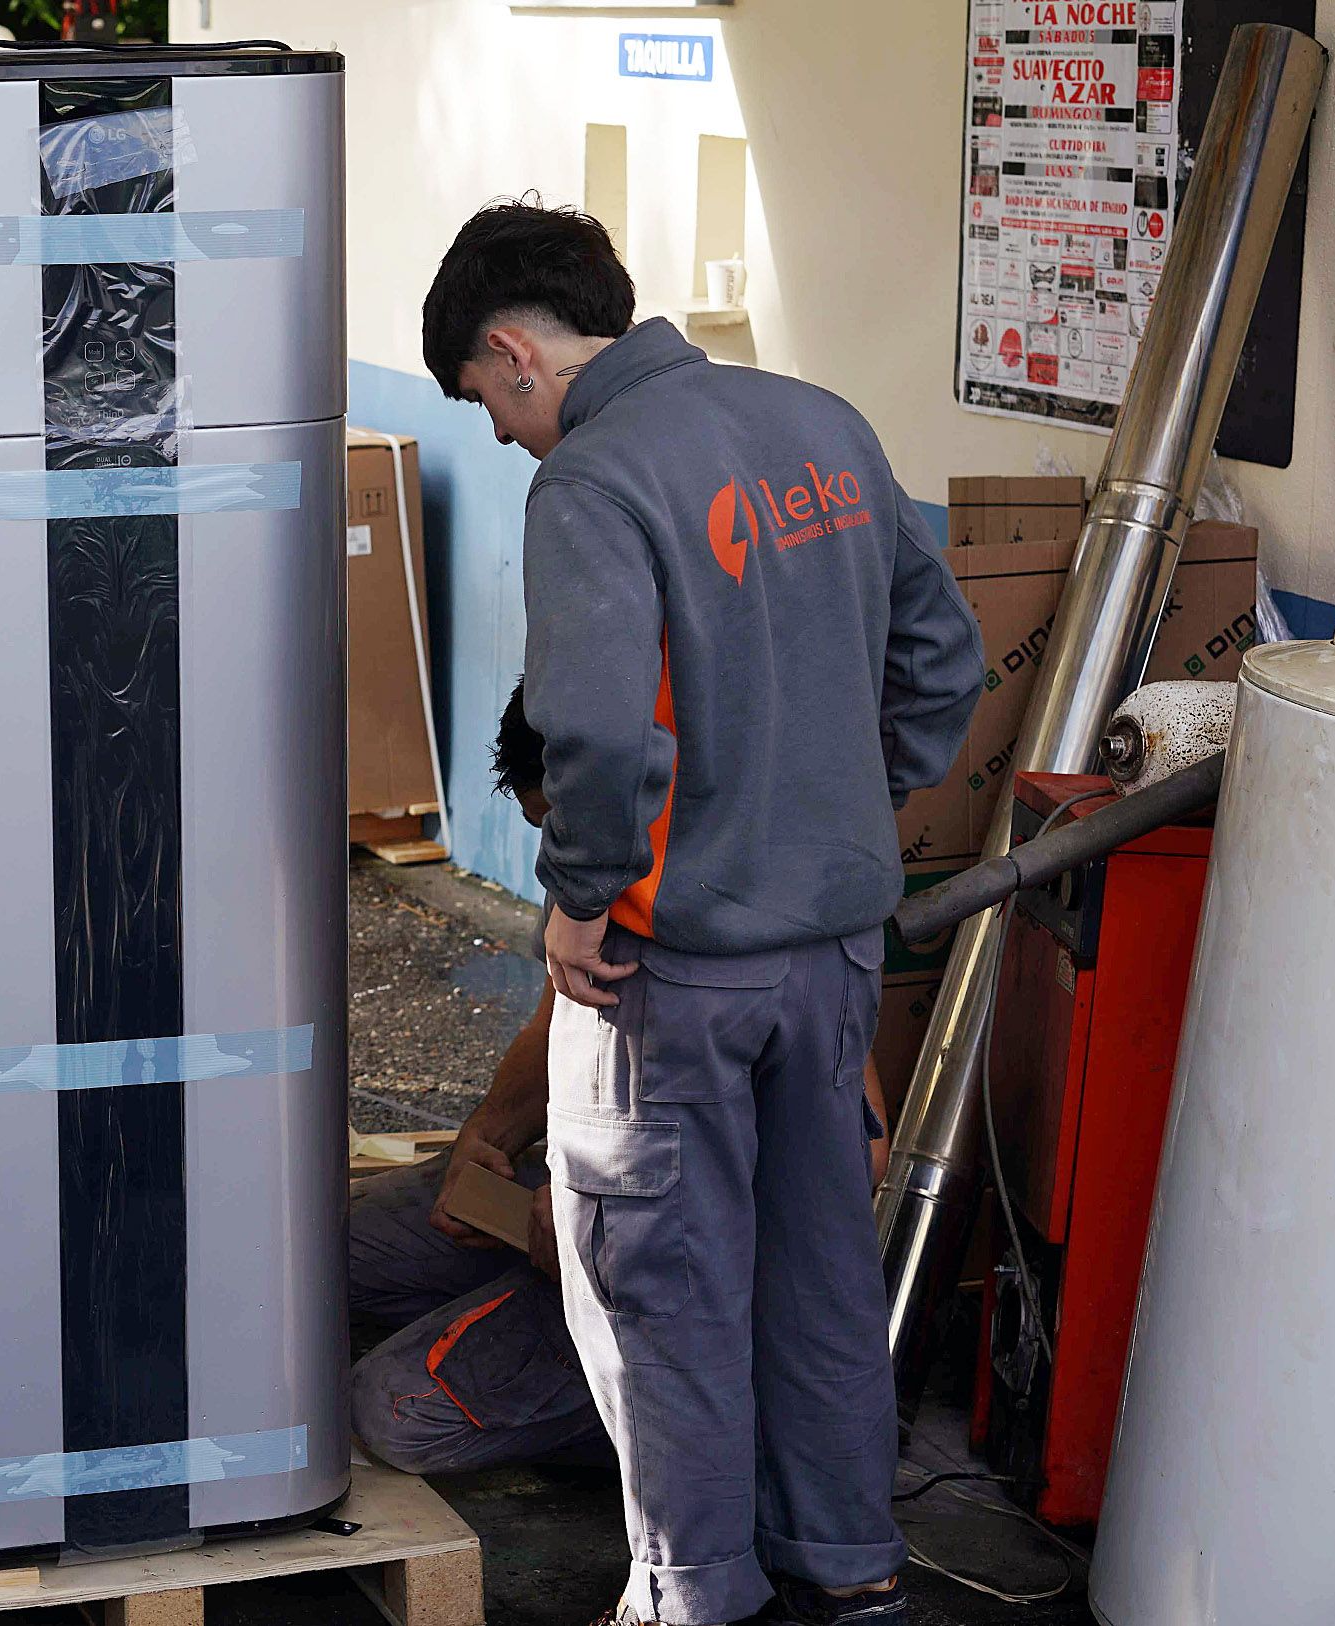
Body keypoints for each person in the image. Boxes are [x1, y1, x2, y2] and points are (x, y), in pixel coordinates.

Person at [418, 202, 983, 1626]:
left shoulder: (596, 480)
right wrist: (848, 799)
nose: (498, 433)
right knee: (818, 1274)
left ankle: (692, 1594)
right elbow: (944, 657)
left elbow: (595, 733)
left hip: (671, 975)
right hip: (835, 951)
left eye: (487, 401)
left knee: (657, 1286)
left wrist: (580, 902)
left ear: (512, 349)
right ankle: (849, 1560)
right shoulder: (824, 423)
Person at [350, 684, 889, 1483]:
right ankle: (535, 1324)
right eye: (545, 831)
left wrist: (598, 1209)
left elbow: (855, 1157)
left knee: (390, 1409)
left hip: (666, 1243)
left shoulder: (765, 907)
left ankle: (669, 1416)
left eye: (563, 829)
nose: (550, 857)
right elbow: (553, 1025)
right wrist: (486, 1139)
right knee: (324, 1265)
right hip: (581, 1189)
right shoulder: (592, 880)